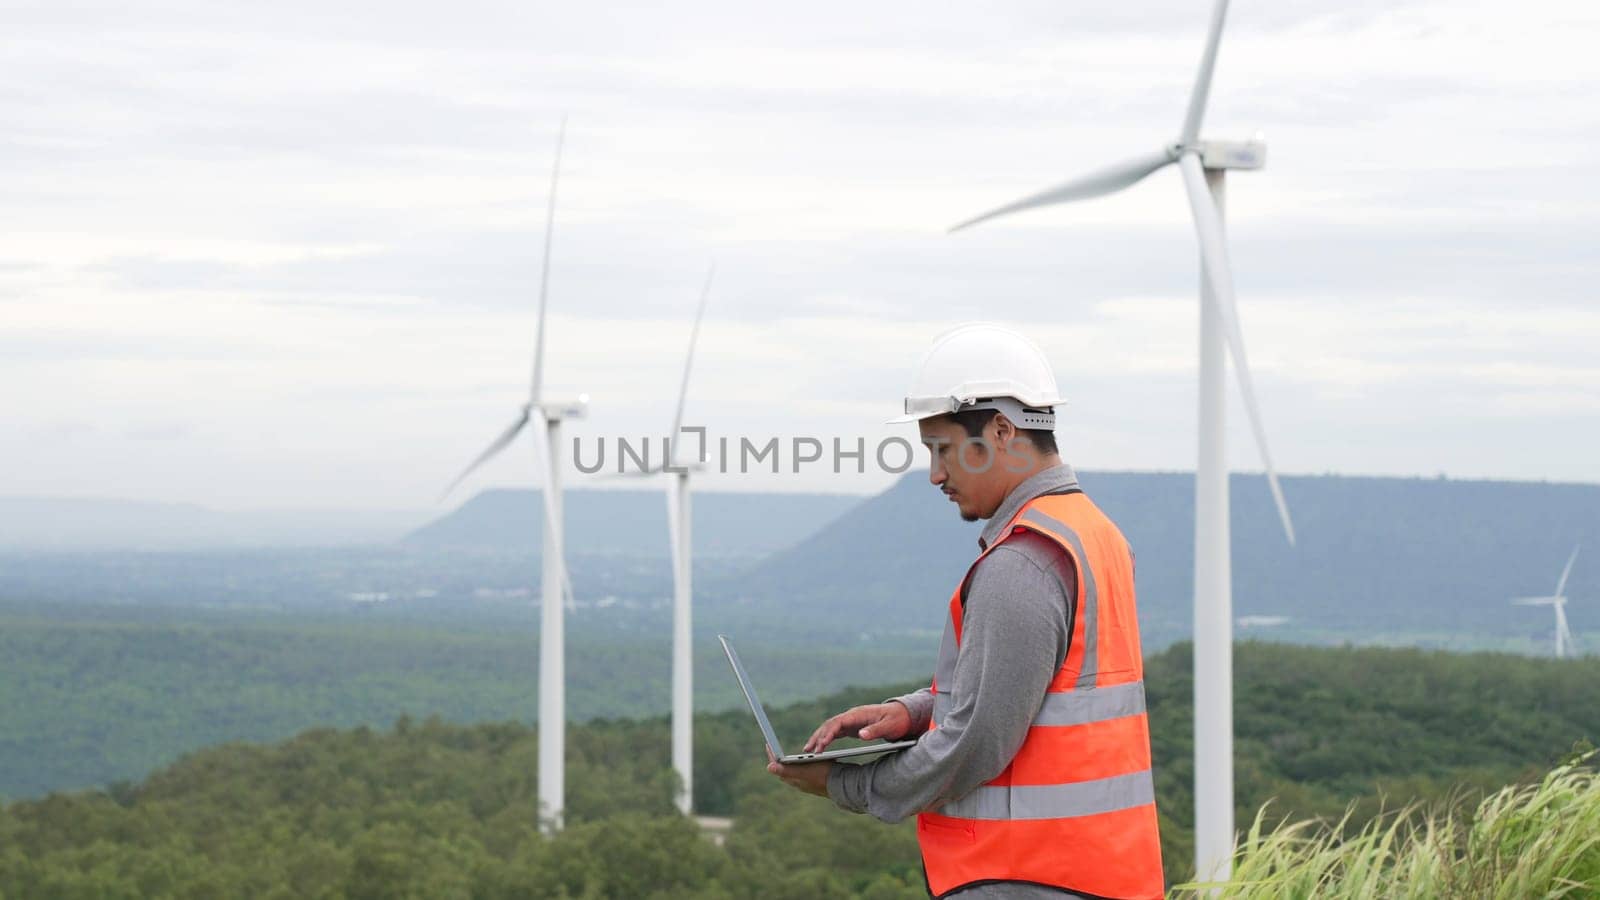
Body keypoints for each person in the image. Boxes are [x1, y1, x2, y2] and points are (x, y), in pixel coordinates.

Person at [767, 323, 1164, 899]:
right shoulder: (1094, 534)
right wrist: (912, 712)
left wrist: (842, 784)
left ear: (1001, 430)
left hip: (1026, 876)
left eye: (944, 450)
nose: (935, 474)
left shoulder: (1022, 565)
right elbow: (1044, 692)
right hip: (1102, 870)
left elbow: (974, 744)